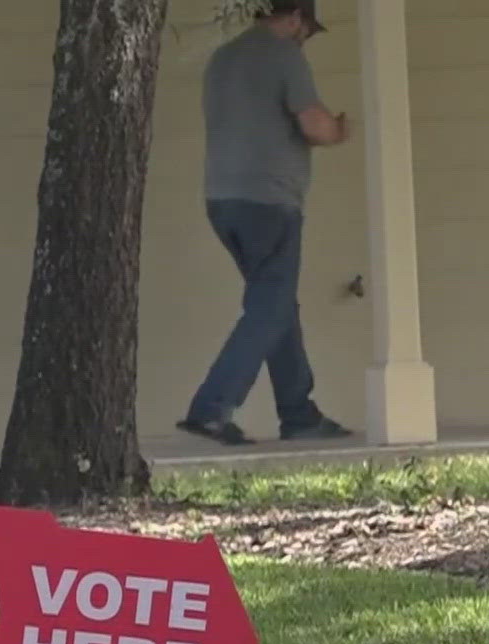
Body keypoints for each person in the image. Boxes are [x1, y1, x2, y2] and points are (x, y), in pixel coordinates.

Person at [179, 0, 353, 447]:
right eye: (308, 29)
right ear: (295, 18)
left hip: (222, 200)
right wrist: (339, 129)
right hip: (269, 201)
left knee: (276, 305)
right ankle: (212, 408)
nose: (306, 38)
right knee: (269, 307)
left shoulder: (223, 58)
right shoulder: (283, 55)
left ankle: (300, 414)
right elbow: (313, 125)